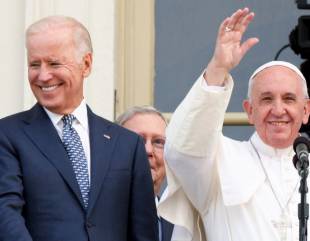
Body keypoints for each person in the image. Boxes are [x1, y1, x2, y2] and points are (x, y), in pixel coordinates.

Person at [0, 16, 158, 241]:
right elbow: (6, 218)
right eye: (35, 64)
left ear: (86, 64)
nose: (43, 75)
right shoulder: (7, 136)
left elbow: (144, 232)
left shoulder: (127, 145)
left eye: (54, 63)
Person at [158, 7, 310, 241]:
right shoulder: (219, 161)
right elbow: (182, 149)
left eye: (289, 98)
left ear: (306, 110)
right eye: (267, 99)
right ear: (250, 111)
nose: (278, 110)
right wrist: (218, 69)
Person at [116, 106, 174, 241]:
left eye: (159, 142)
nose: (148, 150)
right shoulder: (96, 216)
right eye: (137, 141)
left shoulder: (181, 222)